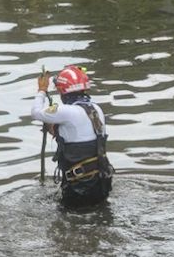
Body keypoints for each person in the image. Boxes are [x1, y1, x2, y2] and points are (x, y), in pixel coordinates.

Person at [31, 65, 113, 209]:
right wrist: (53, 128)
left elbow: (36, 112)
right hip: (101, 181)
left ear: (63, 91)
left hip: (79, 187)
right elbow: (76, 136)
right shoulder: (96, 109)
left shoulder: (66, 111)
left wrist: (42, 90)